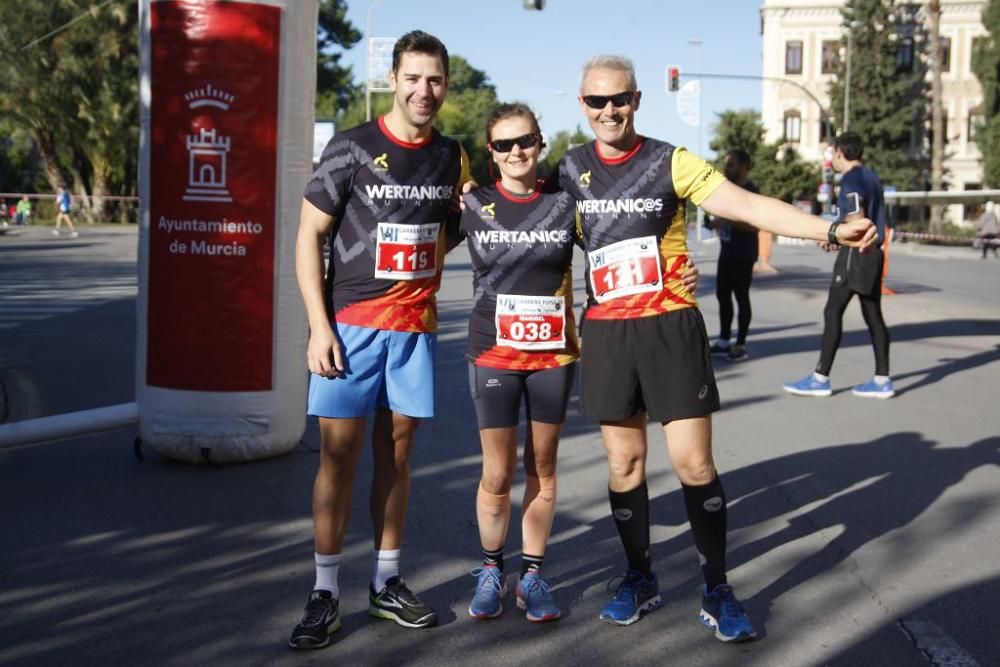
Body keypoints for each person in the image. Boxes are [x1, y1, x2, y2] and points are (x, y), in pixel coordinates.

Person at [557, 55, 875, 642]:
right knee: (624, 465)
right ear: (582, 105)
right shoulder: (568, 169)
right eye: (597, 102)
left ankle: (717, 587)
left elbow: (747, 206)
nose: (609, 111)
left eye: (619, 99)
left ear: (636, 99)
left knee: (693, 463)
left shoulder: (669, 161)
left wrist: (830, 228)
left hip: (670, 328)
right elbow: (530, 231)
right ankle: (639, 577)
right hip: (607, 332)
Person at [289, 30, 469, 650]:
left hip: (414, 330)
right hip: (351, 329)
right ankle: (324, 591)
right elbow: (308, 238)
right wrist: (318, 326)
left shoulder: (452, 157)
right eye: (414, 78)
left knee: (397, 459)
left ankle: (386, 583)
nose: (425, 90)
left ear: (447, 84)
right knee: (337, 459)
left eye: (436, 79)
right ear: (394, 79)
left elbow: (449, 231)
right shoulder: (351, 148)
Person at [459, 103, 578, 623]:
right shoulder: (472, 203)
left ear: (539, 141)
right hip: (493, 352)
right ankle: (491, 569)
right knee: (498, 470)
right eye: (504, 144)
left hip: (552, 354)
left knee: (543, 469)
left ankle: (532, 575)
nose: (516, 152)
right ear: (491, 153)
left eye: (524, 140)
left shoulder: (565, 202)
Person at [784, 131, 894, 399]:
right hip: (874, 252)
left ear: (840, 153)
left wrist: (831, 233)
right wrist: (838, 236)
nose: (830, 158)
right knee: (873, 316)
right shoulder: (872, 176)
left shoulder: (852, 179)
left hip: (855, 254)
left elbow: (857, 218)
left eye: (831, 153)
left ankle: (820, 378)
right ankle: (882, 380)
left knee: (832, 312)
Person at [705, 149, 759, 361]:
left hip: (744, 253)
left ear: (744, 166)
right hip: (727, 252)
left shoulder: (751, 191)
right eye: (726, 164)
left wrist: (727, 219)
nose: (727, 169)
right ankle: (724, 340)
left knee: (741, 296)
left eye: (731, 165)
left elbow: (755, 225)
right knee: (722, 295)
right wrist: (714, 222)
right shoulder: (729, 190)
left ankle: (741, 344)